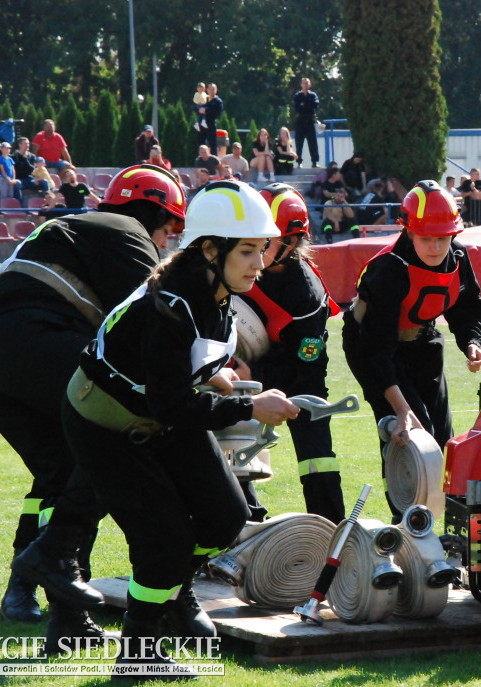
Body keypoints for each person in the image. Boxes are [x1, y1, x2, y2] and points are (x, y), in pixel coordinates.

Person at [51, 180, 297, 672]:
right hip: (106, 425)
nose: (260, 263)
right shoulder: (172, 304)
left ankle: (171, 594)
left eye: (261, 249)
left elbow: (185, 379)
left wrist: (218, 376)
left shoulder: (214, 291)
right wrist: (251, 408)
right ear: (210, 249)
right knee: (164, 542)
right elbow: (174, 409)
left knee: (224, 518)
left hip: (154, 416)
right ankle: (140, 654)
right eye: (247, 251)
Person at [0, 165, 184, 646]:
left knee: (62, 470)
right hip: (35, 337)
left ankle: (36, 599)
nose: (167, 242)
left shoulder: (77, 228)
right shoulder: (127, 233)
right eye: (169, 229)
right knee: (117, 437)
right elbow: (160, 319)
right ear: (153, 214)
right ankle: (52, 570)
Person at [342, 180, 481, 521]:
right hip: (372, 349)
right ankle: (404, 526)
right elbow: (376, 349)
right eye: (426, 238)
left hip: (423, 342)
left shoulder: (458, 256)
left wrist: (472, 342)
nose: (436, 247)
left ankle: (452, 531)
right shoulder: (388, 270)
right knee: (410, 438)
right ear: (408, 231)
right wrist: (401, 409)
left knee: (444, 440)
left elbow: (468, 306)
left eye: (443, 237)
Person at [236, 184, 345, 523]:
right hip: (239, 367)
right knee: (231, 445)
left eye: (264, 242)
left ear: (291, 243)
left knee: (317, 454)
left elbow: (304, 366)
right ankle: (244, 523)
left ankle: (329, 529)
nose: (253, 250)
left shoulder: (307, 300)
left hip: (300, 372)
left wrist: (254, 377)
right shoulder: (238, 264)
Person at [292, 77, 320, 168]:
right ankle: (299, 162)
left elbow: (315, 105)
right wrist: (308, 105)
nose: (305, 85)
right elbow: (297, 107)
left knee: (312, 143)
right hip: (300, 121)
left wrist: (304, 104)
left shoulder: (313, 95)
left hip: (310, 121)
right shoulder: (297, 95)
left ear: (310, 84)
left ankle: (314, 162)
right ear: (301, 84)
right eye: (304, 83)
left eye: (307, 83)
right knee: (299, 143)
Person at [197, 83, 224, 152]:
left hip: (210, 125)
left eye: (213, 89)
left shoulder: (218, 101)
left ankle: (214, 160)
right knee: (201, 144)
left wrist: (206, 110)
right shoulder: (204, 98)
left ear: (216, 90)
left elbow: (217, 113)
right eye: (210, 89)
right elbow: (196, 106)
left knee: (213, 144)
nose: (212, 91)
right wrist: (199, 109)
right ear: (207, 90)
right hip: (201, 124)